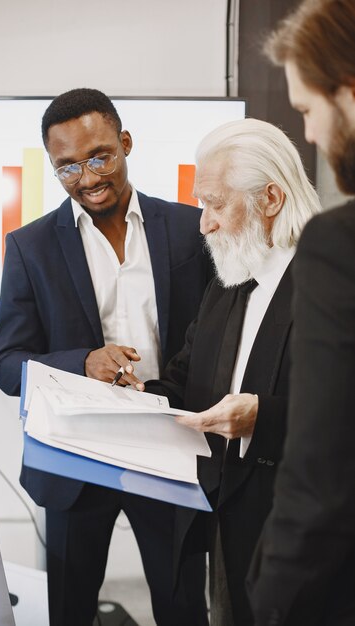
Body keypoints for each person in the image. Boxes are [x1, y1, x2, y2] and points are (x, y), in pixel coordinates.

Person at [0, 88, 212, 626]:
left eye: (99, 157)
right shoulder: (30, 246)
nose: (86, 179)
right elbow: (6, 363)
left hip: (171, 442)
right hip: (75, 454)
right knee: (70, 607)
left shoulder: (190, 229)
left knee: (182, 605)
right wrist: (82, 361)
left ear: (126, 143)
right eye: (67, 167)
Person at [131, 118, 321, 626]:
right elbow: (187, 378)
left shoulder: (332, 283)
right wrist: (132, 395)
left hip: (301, 540)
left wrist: (263, 418)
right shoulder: (230, 275)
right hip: (221, 523)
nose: (204, 224)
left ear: (271, 200)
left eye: (215, 205)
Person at [246, 2, 355, 625]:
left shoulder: (335, 247)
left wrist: (273, 598)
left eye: (309, 110)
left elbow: (323, 470)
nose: (309, 134)